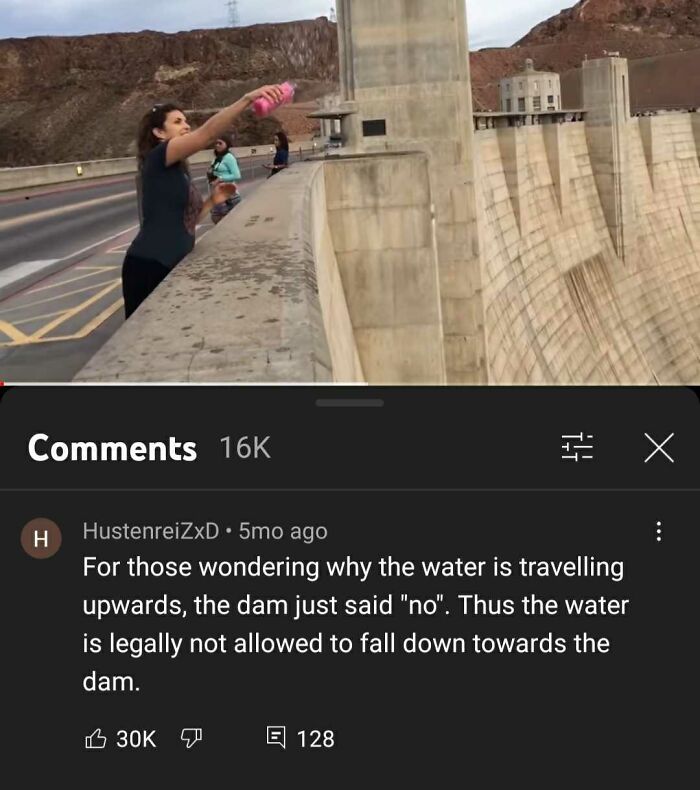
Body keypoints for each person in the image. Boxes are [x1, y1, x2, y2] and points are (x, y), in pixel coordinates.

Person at [122, 85, 283, 319]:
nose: (186, 126)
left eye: (186, 121)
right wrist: (247, 99)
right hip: (149, 265)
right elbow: (205, 135)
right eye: (177, 122)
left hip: (167, 265)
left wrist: (212, 200)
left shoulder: (176, 170)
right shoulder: (159, 156)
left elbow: (185, 222)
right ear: (159, 132)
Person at [207, 134, 242, 224]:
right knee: (217, 217)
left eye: (220, 143)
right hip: (219, 192)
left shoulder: (229, 157)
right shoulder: (217, 158)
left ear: (227, 144)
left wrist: (220, 179)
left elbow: (237, 175)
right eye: (216, 143)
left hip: (229, 193)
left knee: (224, 219)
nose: (217, 145)